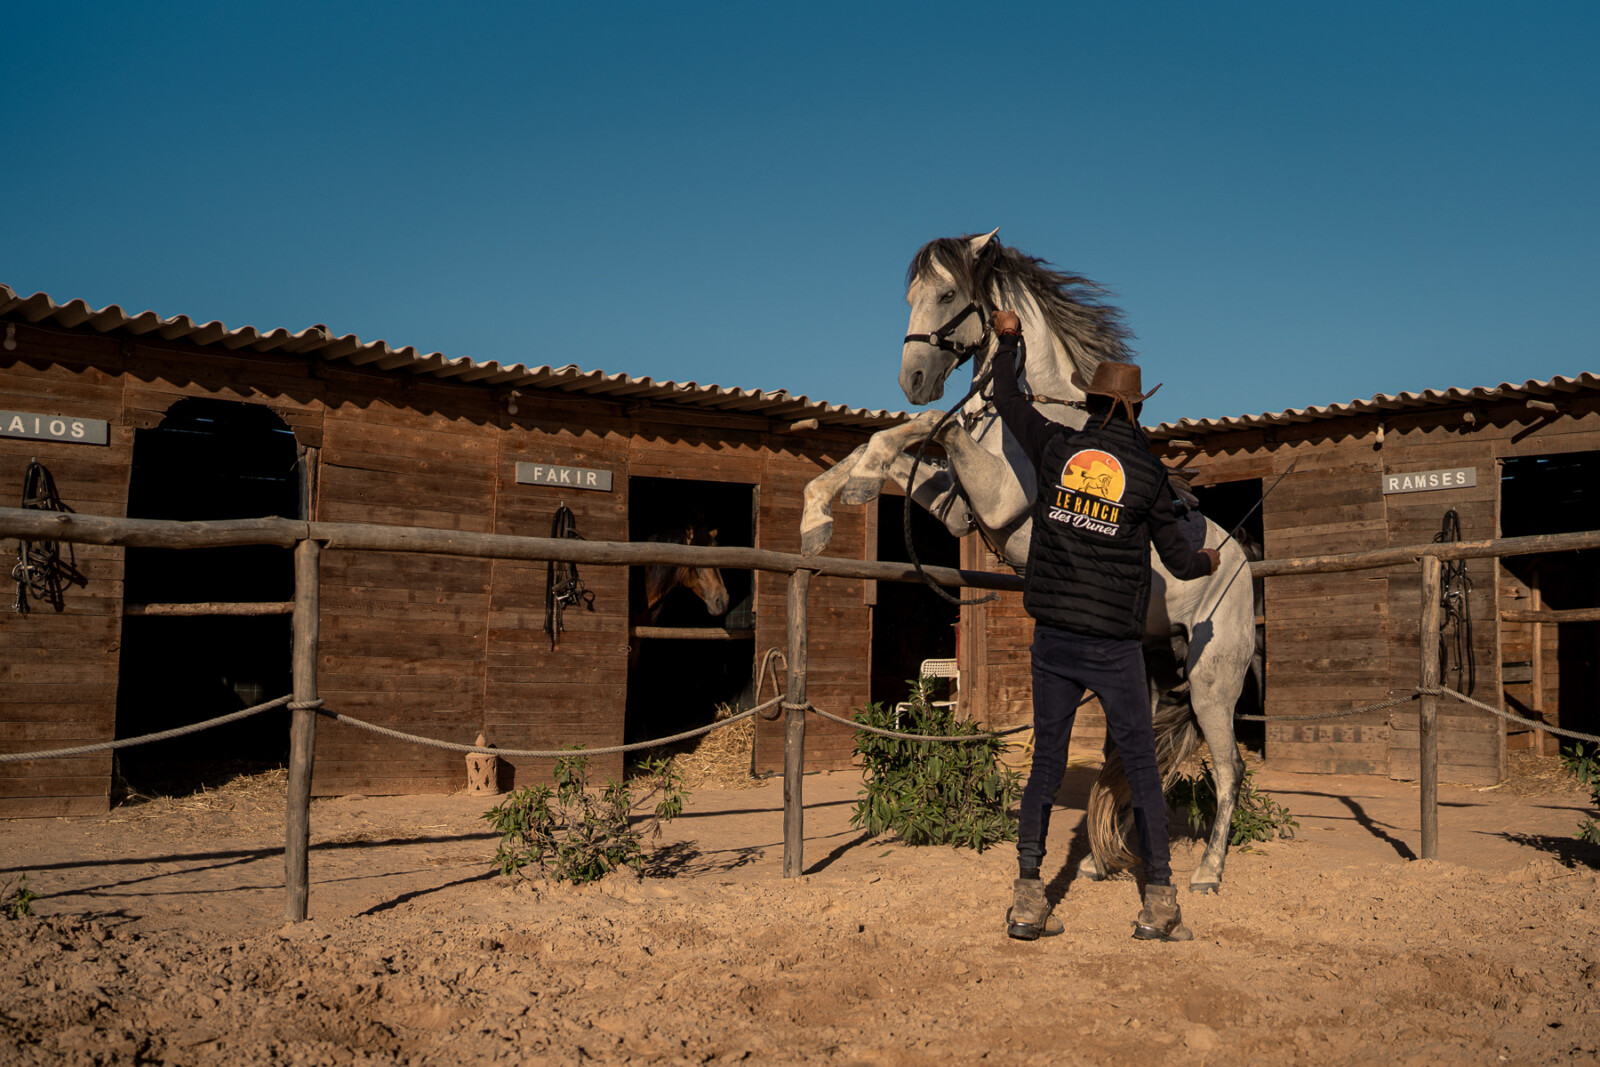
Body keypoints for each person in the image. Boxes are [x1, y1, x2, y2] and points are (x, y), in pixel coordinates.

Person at [987, 308, 1220, 943]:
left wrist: (1009, 342)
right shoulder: (1147, 475)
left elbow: (1005, 394)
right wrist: (1210, 558)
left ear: (1091, 401)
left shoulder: (1057, 445)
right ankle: (1160, 904)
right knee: (1141, 767)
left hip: (1054, 641)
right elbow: (1178, 561)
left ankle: (1029, 900)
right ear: (1138, 410)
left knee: (1046, 766)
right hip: (1115, 648)